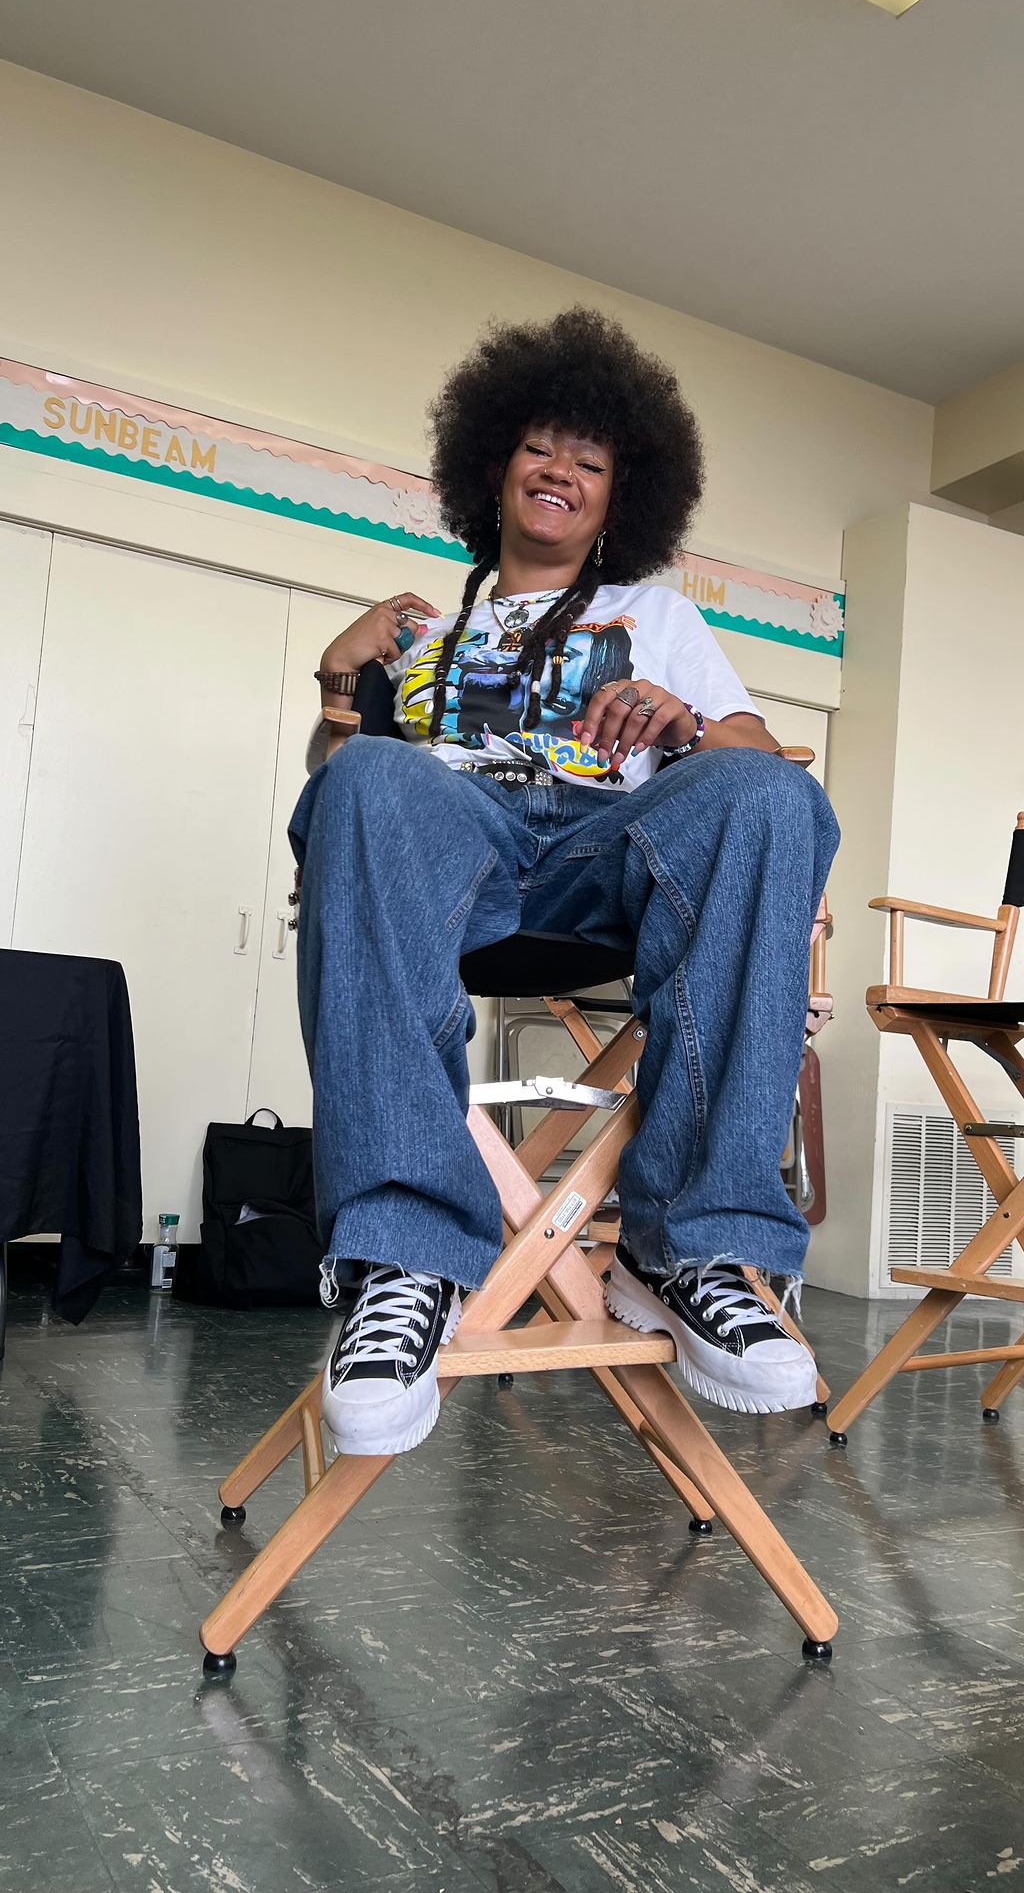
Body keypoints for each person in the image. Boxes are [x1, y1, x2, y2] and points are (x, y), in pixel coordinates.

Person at [289, 308, 840, 1457]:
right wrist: (343, 679)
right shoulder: (421, 630)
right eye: (539, 448)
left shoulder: (659, 615)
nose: (560, 472)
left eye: (590, 462)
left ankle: (691, 1246)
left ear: (617, 501)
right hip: (464, 853)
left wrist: (685, 724)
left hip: (611, 853)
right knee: (368, 779)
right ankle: (405, 1263)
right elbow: (342, 800)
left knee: (771, 794)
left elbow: (754, 758)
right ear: (492, 471)